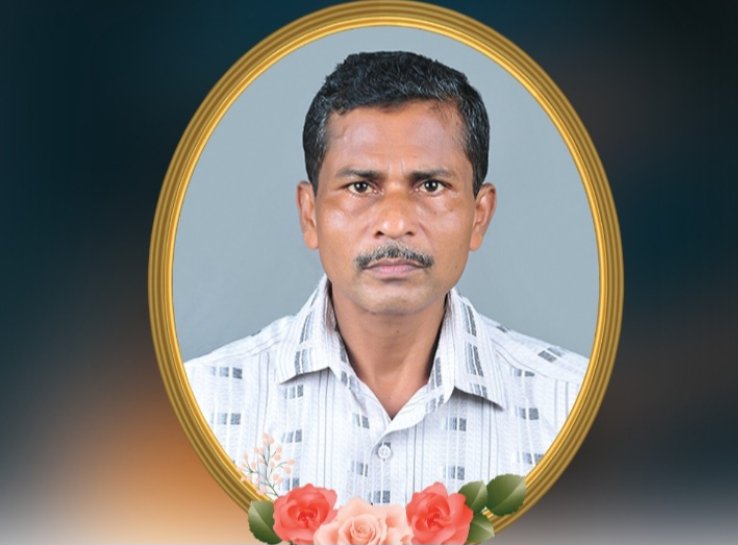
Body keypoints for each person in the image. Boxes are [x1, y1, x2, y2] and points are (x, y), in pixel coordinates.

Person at [186, 51, 587, 506]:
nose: (395, 223)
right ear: (309, 214)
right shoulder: (204, 406)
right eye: (360, 186)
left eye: (431, 186)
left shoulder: (573, 408)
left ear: (479, 215)